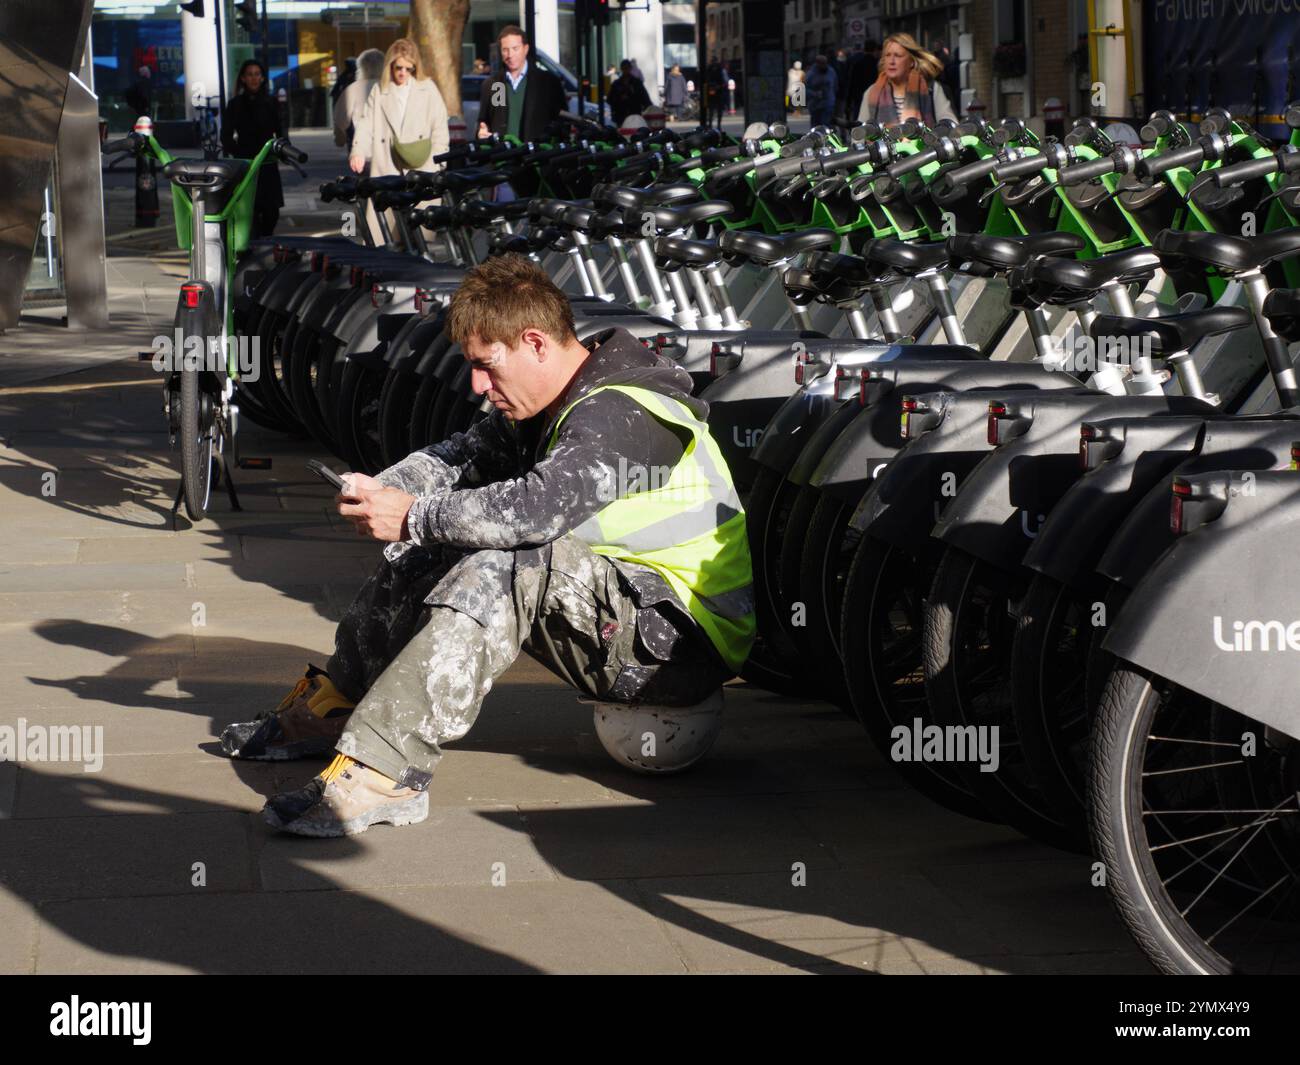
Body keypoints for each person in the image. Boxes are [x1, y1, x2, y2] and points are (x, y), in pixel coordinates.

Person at [221, 255, 756, 838]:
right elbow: (458, 457)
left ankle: (385, 770)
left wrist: (416, 515)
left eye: (486, 366)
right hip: (625, 614)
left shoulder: (626, 414)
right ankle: (337, 706)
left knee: (507, 554)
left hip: (678, 649)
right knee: (439, 538)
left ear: (535, 343)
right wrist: (391, 490)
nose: (478, 385)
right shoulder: (551, 400)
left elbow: (535, 511)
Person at [349, 38, 449, 244]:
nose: (403, 73)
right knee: (386, 236)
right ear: (390, 66)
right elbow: (366, 123)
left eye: (409, 69)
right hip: (388, 166)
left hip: (422, 168)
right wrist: (358, 151)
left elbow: (440, 127)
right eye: (398, 67)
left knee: (419, 238)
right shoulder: (380, 90)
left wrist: (438, 162)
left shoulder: (428, 88)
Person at [220, 60, 285, 239]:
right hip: (246, 164)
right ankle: (255, 248)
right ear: (243, 78)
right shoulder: (235, 104)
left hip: (268, 162)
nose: (254, 78)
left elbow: (281, 132)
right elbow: (225, 135)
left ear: (263, 78)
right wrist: (238, 153)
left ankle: (265, 241)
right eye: (250, 74)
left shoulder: (271, 103)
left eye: (257, 74)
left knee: (272, 211)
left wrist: (281, 151)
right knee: (251, 210)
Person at [476, 24, 566, 142]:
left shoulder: (547, 82)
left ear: (526, 49)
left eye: (515, 48)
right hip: (502, 156)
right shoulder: (495, 84)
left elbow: (561, 123)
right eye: (505, 50)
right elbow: (487, 120)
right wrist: (481, 133)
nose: (510, 55)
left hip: (535, 156)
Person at [858, 32, 957, 127]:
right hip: (881, 145)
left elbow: (949, 123)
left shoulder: (931, 88)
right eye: (887, 55)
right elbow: (859, 134)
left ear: (911, 62)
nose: (891, 61)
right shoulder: (872, 92)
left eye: (898, 56)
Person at [332, 47, 384, 154]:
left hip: (363, 151)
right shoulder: (393, 88)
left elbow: (340, 120)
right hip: (389, 153)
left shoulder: (353, 89)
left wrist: (340, 140)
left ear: (361, 68)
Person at [608, 59, 651, 126]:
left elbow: (645, 98)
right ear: (621, 69)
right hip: (621, 115)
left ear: (630, 69)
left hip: (634, 114)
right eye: (624, 68)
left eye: (627, 68)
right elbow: (610, 99)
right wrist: (619, 99)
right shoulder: (616, 84)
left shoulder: (636, 83)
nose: (626, 70)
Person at [804, 54, 838, 129]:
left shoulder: (831, 72)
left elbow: (835, 86)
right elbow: (805, 89)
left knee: (826, 125)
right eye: (821, 63)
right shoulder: (811, 74)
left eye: (825, 63)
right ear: (817, 63)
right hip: (815, 105)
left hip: (828, 103)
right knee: (816, 126)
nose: (823, 65)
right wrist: (814, 94)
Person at [844, 44, 871, 126]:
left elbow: (849, 78)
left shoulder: (851, 60)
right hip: (868, 90)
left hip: (857, 92)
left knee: (858, 112)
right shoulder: (871, 60)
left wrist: (848, 98)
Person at [705, 57, 726, 128]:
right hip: (717, 91)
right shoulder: (720, 69)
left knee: (712, 109)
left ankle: (712, 124)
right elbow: (724, 81)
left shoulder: (709, 69)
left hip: (714, 91)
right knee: (716, 109)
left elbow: (706, 80)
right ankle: (717, 125)